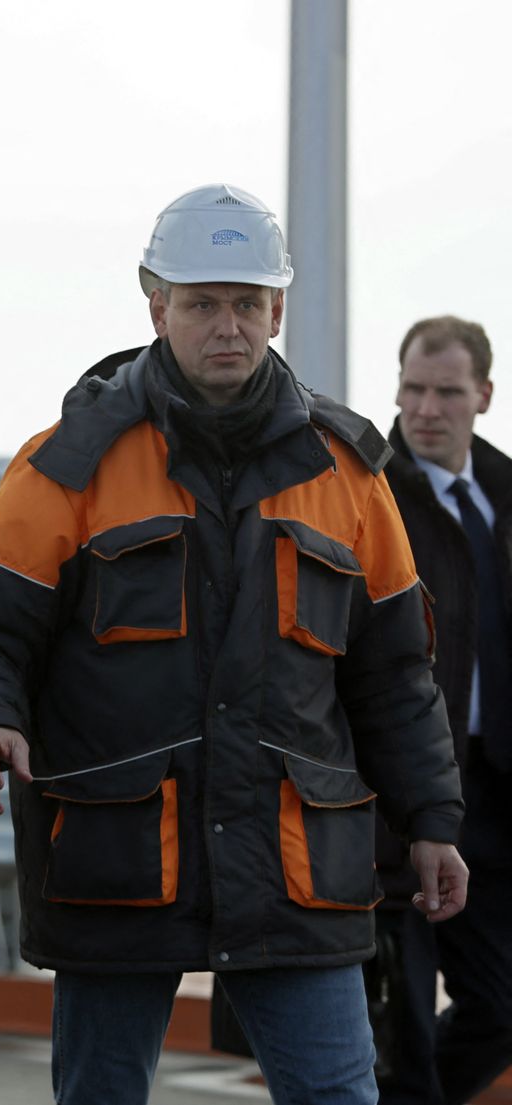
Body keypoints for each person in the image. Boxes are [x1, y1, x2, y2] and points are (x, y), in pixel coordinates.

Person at [0, 184, 468, 1104]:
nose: (229, 325)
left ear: (278, 310)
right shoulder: (70, 461)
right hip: (121, 860)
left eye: (248, 303)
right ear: (155, 305)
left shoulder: (349, 474)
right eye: (203, 302)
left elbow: (394, 675)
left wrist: (431, 818)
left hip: (295, 868)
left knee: (340, 1095)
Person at [367, 316, 512, 1104]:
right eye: (414, 389)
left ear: (483, 395)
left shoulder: (502, 495)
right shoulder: (372, 492)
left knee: (502, 1007)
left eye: (447, 392)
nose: (426, 408)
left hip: (494, 798)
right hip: (399, 808)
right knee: (404, 1035)